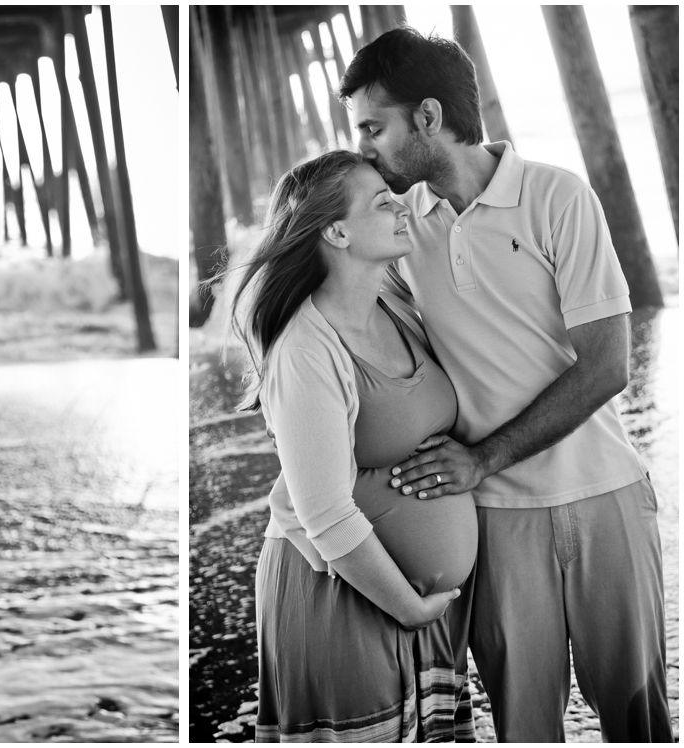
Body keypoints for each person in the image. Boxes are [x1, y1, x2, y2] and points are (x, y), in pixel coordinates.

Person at [338, 27, 672, 742]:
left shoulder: (557, 197)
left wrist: (483, 457)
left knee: (639, 722)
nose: (365, 148)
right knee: (524, 728)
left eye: (374, 127)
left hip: (603, 497)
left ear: (428, 118)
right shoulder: (400, 232)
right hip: (494, 520)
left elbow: (608, 365)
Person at [227, 149, 479, 742]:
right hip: (344, 601)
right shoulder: (305, 348)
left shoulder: (396, 304)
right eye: (381, 201)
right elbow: (325, 513)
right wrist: (410, 607)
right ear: (337, 231)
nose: (402, 205)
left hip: (411, 607)